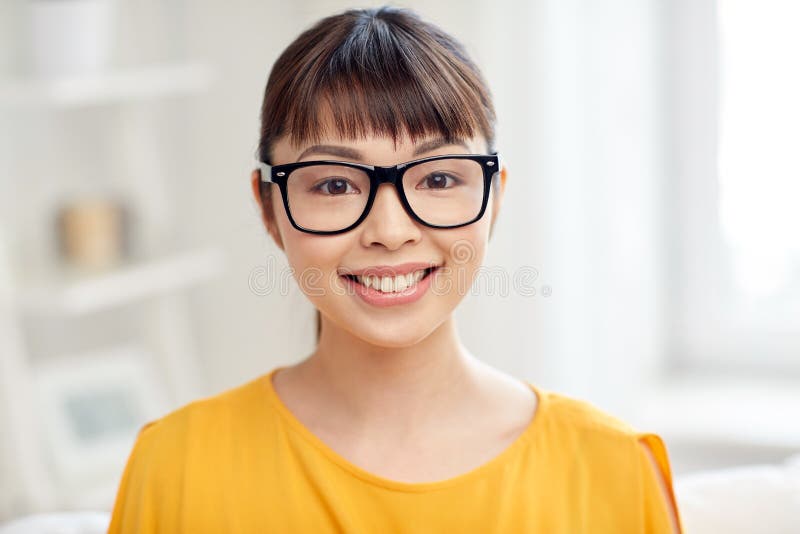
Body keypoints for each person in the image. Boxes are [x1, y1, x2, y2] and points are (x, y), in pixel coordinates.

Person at [108, 6, 683, 533]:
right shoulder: (176, 468)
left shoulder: (613, 471)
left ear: (495, 197)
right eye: (334, 184)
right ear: (268, 207)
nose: (389, 230)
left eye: (437, 179)